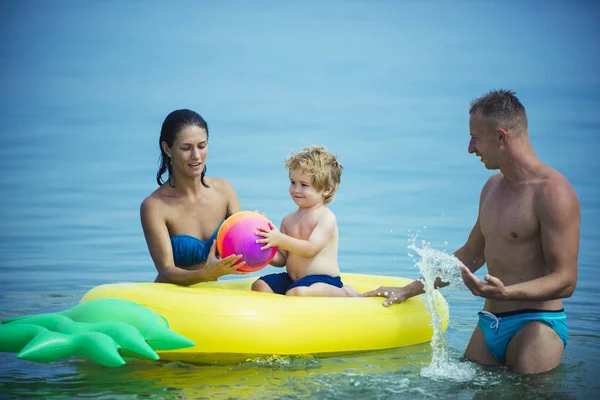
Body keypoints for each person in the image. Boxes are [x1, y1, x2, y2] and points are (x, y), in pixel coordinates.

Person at [363, 90, 580, 374]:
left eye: (475, 138)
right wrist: (407, 290)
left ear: (501, 137)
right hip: (489, 322)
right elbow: (471, 254)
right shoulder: (492, 187)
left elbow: (566, 280)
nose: (469, 148)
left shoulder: (552, 193)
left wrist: (507, 293)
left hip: (536, 325)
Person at [140, 109, 247, 285]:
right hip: (171, 296)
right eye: (186, 148)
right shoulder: (154, 206)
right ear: (167, 148)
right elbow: (166, 270)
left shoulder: (224, 191)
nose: (196, 156)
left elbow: (242, 247)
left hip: (209, 297)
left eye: (202, 146)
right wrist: (204, 274)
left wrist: (259, 231)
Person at [251, 145, 358, 297]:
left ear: (327, 189)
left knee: (297, 292)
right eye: (292, 182)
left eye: (304, 185)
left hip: (323, 280)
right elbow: (281, 259)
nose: (295, 189)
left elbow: (311, 249)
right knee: (260, 286)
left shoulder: (326, 217)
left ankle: (344, 293)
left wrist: (279, 238)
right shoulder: (288, 220)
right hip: (292, 279)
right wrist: (264, 242)